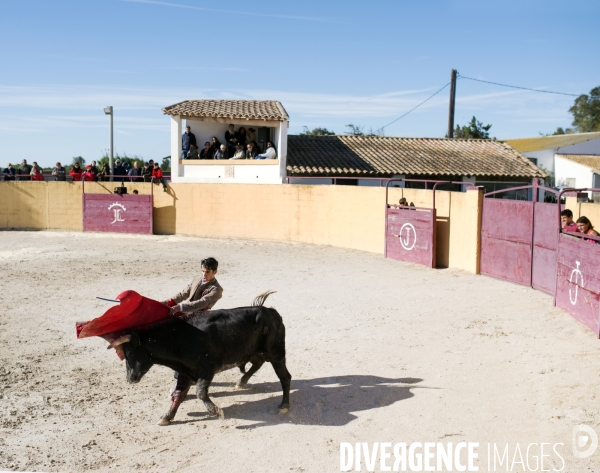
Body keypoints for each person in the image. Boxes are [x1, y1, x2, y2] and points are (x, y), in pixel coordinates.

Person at [163, 257, 223, 402]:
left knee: (185, 351)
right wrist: (168, 302)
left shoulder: (217, 289)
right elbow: (184, 293)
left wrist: (180, 307)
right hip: (187, 316)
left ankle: (181, 382)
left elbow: (200, 303)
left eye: (207, 272)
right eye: (203, 271)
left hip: (201, 321)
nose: (204, 274)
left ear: (215, 272)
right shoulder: (197, 279)